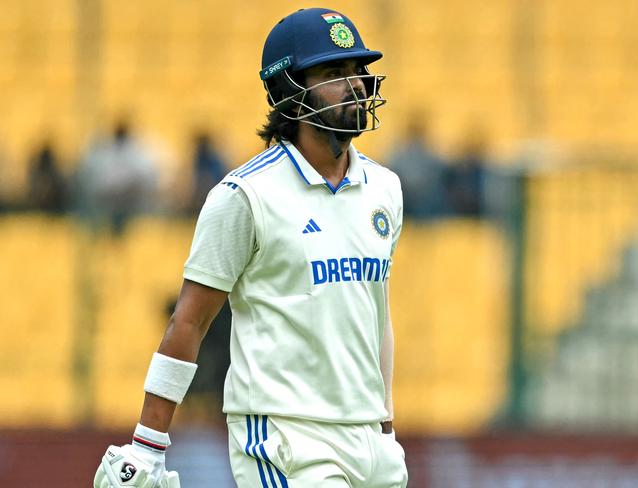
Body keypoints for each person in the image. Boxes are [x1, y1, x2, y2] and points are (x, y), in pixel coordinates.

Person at [94, 7, 407, 488]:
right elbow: (189, 321)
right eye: (333, 72)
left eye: (358, 71)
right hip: (286, 438)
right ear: (289, 91)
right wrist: (146, 445)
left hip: (370, 444)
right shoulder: (245, 196)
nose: (356, 86)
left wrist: (384, 426)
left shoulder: (384, 189)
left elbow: (376, 313)